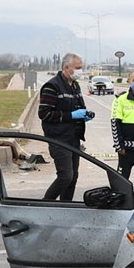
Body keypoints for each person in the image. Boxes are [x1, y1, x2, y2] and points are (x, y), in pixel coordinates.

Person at [38, 52, 92, 201]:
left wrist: (85, 115)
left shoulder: (75, 86)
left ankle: (65, 206)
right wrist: (72, 115)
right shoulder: (52, 86)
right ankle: (45, 204)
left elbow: (79, 107)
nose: (81, 71)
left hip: (74, 138)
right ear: (67, 68)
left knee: (73, 177)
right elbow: (44, 114)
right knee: (65, 176)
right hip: (58, 139)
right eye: (78, 68)